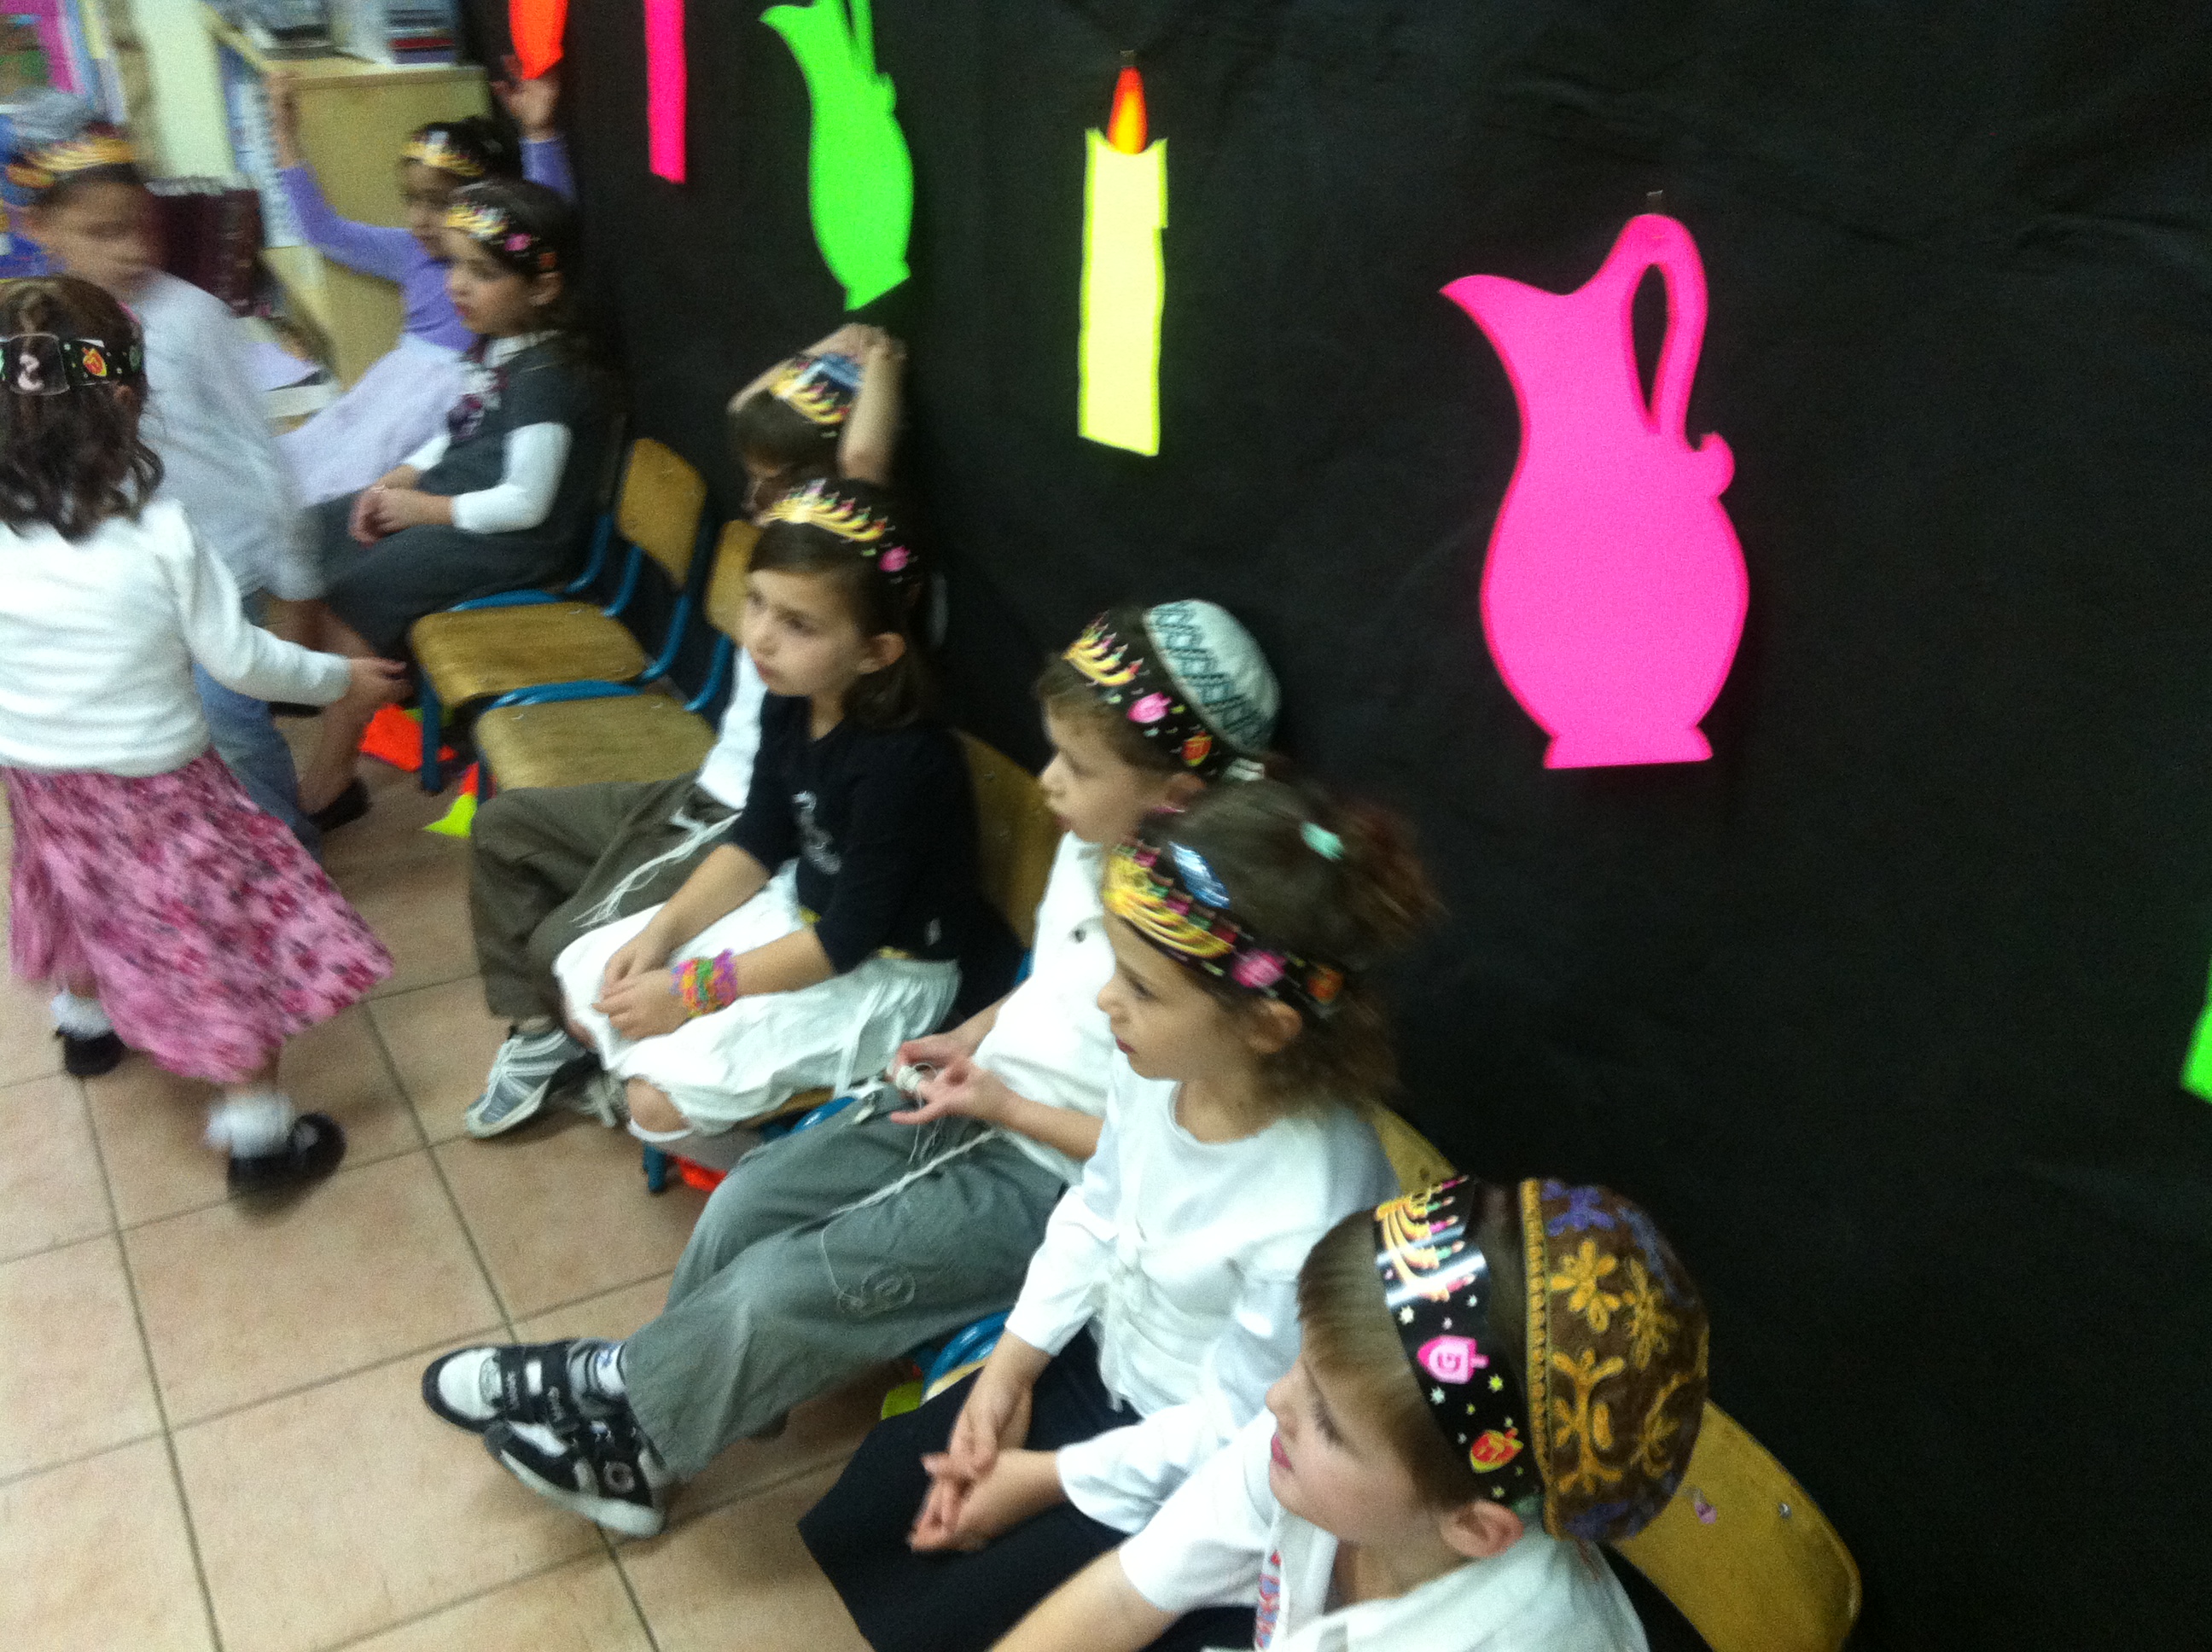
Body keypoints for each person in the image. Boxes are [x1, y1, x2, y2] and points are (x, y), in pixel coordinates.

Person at [420, 599, 1283, 1539]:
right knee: (748, 1199)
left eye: (1077, 766)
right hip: (984, 1096)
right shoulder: (1098, 849)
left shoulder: (1212, 959)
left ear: (1175, 794)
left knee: (781, 1287)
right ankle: (659, 1410)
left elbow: (1157, 1163)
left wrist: (1007, 1106)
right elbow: (1061, 990)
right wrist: (977, 1033)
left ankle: (629, 1416)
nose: (1048, 783)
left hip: (1058, 1179)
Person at [798, 777, 1439, 1652]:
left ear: (1265, 1027)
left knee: (965, 1609)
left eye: (1140, 986)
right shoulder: (1160, 1068)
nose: (1107, 1001)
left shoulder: (1309, 1204)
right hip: (1097, 1367)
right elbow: (1095, 1212)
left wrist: (1046, 1477)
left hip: (1189, 1466)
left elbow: (1238, 1426)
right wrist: (1010, 1371)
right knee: (881, 1498)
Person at [0, 276, 404, 1184]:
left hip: (38, 777)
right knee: (209, 935)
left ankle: (86, 1027)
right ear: (125, 403)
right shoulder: (160, 534)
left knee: (71, 884)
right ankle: (259, 1136)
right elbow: (244, 663)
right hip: (162, 789)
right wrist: (341, 679)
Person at [461, 327, 908, 1137]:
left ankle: (587, 1047)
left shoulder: (846, 559)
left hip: (726, 819)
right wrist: (827, 346)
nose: (753, 499)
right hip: (697, 787)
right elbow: (745, 409)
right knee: (504, 827)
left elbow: (865, 463)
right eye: (753, 478)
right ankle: (542, 1039)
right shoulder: (782, 594)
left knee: (562, 944)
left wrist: (880, 362)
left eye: (775, 483)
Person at [991, 1178, 1710, 1652]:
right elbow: (1125, 1595)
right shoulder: (1304, 1452)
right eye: (1303, 1363)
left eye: (1330, 1422)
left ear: (1473, 1526)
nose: (1276, 1400)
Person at [542, 476, 1018, 1158]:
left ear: (877, 651)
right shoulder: (791, 695)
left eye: (799, 624)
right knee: (590, 990)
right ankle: (701, 1090)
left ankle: (756, 1171)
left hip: (885, 973)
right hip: (802, 914)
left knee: (654, 1103)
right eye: (757, 602)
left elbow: (845, 941)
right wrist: (662, 933)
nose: (760, 638)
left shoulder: (906, 762)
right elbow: (757, 842)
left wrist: (690, 992)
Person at [6, 93, 326, 852]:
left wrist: (297, 577)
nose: (131, 249)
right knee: (173, 735)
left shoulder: (192, 317)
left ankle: (287, 851)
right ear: (38, 228)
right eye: (102, 232)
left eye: (140, 226)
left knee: (233, 724)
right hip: (125, 577)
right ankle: (213, 853)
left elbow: (260, 447)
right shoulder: (32, 332)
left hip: (225, 561)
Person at [295, 177, 608, 824]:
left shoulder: (547, 378)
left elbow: (527, 503)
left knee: (359, 591)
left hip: (515, 543)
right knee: (318, 529)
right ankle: (345, 679)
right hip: (461, 506)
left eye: (483, 273)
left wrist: (423, 510)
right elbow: (458, 427)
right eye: (456, 266)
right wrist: (401, 477)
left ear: (542, 288)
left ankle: (332, 775)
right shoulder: (502, 346)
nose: (458, 286)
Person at [269, 61, 575, 504]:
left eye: (437, 203)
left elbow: (549, 218)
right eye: (411, 200)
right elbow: (322, 230)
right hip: (391, 387)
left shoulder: (501, 264)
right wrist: (285, 137)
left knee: (354, 484)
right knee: (309, 457)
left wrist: (539, 131)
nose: (419, 219)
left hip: (443, 399)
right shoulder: (409, 251)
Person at [725, 323, 904, 513]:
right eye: (770, 479)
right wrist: (880, 355)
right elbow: (861, 456)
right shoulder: (852, 471)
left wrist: (835, 344)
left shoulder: (791, 474)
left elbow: (740, 404)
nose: (751, 498)